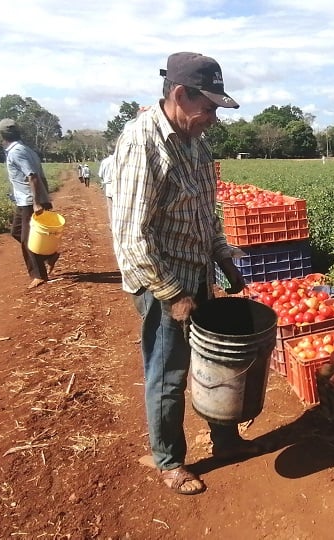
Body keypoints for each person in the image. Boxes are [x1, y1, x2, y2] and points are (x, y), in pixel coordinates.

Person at [110, 52, 254, 496]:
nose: (212, 117)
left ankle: (225, 436)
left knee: (212, 359)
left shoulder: (196, 141)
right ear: (179, 94)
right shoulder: (142, 143)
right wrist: (174, 294)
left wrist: (225, 259)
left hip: (196, 270)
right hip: (160, 280)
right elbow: (131, 237)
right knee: (169, 370)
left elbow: (204, 212)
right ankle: (169, 459)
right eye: (208, 106)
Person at [0, 118, 59, 289]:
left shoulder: (17, 152)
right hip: (24, 199)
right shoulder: (26, 150)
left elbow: (32, 176)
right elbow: (38, 176)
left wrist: (37, 203)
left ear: (2, 135)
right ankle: (49, 255)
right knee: (17, 232)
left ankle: (39, 275)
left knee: (27, 239)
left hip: (29, 201)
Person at [98, 153, 115, 223]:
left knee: (110, 206)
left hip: (108, 185)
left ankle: (112, 224)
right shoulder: (121, 159)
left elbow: (100, 175)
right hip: (120, 186)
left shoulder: (105, 161)